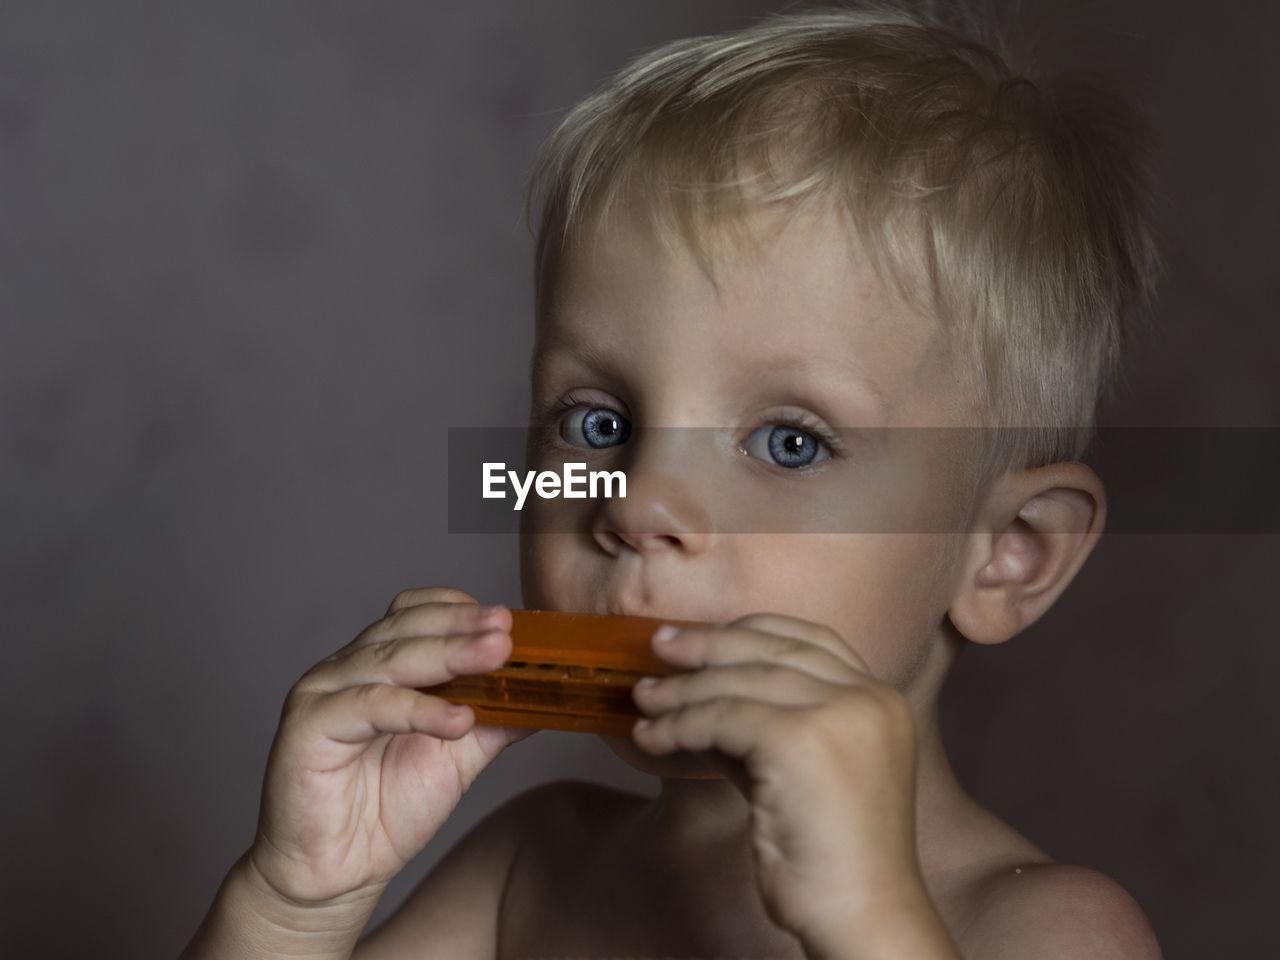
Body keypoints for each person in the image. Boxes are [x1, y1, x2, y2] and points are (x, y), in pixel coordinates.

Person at [181, 2, 1166, 957]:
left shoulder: (1047, 930)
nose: (632, 503)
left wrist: (868, 924)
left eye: (787, 443)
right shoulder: (529, 872)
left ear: (1006, 554)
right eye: (598, 424)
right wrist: (293, 900)